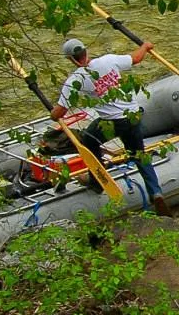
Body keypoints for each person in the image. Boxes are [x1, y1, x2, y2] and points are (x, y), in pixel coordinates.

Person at [53, 36, 168, 215]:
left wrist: (52, 112)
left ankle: (97, 182)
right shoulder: (108, 60)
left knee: (87, 140)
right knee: (139, 154)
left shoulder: (75, 80)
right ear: (86, 51)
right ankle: (156, 192)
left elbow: (59, 113)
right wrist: (145, 46)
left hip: (113, 121)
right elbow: (136, 58)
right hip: (133, 114)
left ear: (71, 59)